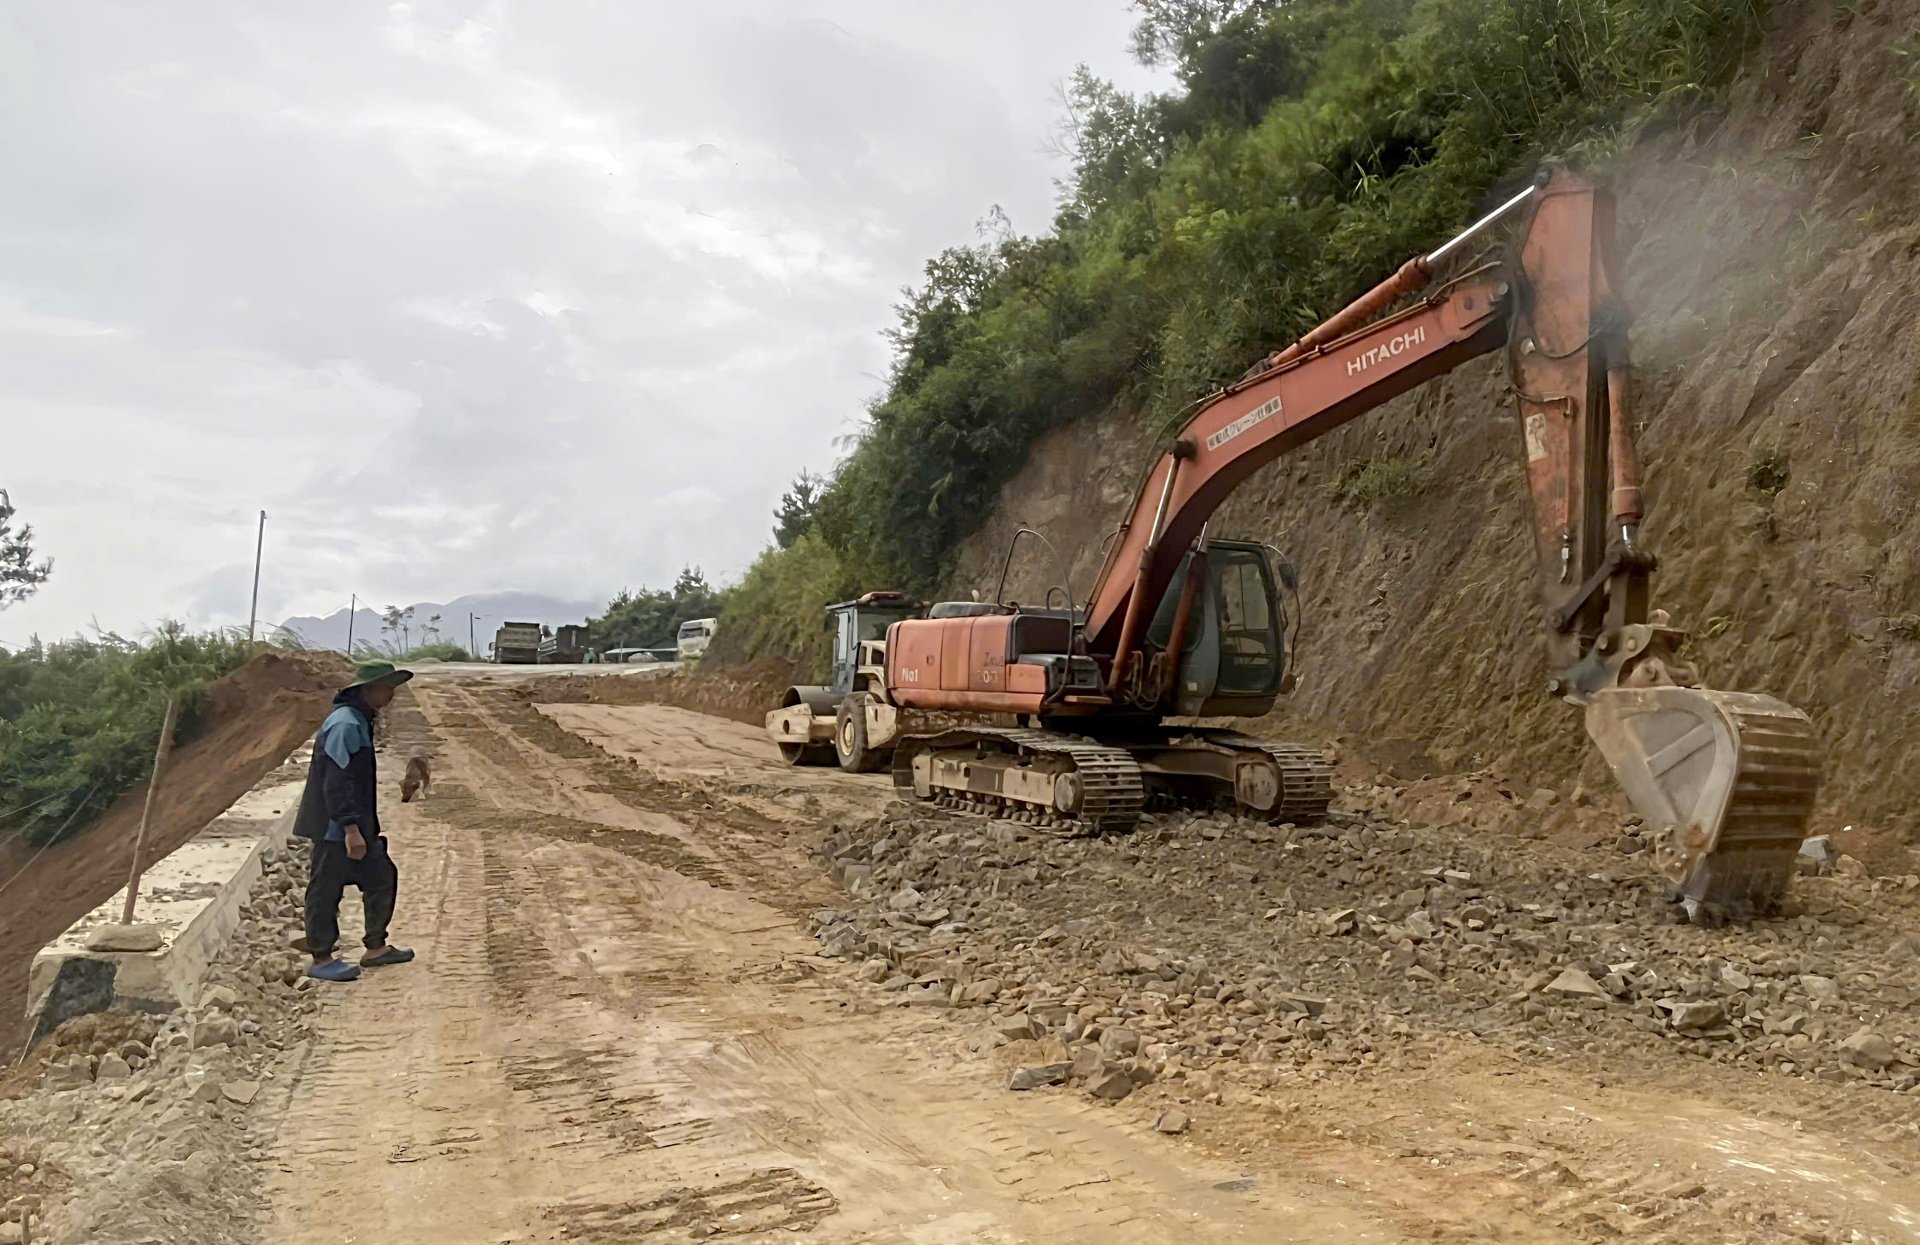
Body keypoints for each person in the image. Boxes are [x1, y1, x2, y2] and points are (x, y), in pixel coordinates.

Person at [291, 660, 417, 982]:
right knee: (325, 890)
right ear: (368, 690)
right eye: (387, 687)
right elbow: (337, 780)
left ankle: (376, 947)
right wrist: (350, 828)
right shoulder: (346, 725)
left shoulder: (359, 719)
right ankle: (321, 958)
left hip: (354, 824)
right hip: (336, 828)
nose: (391, 694)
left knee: (381, 877)